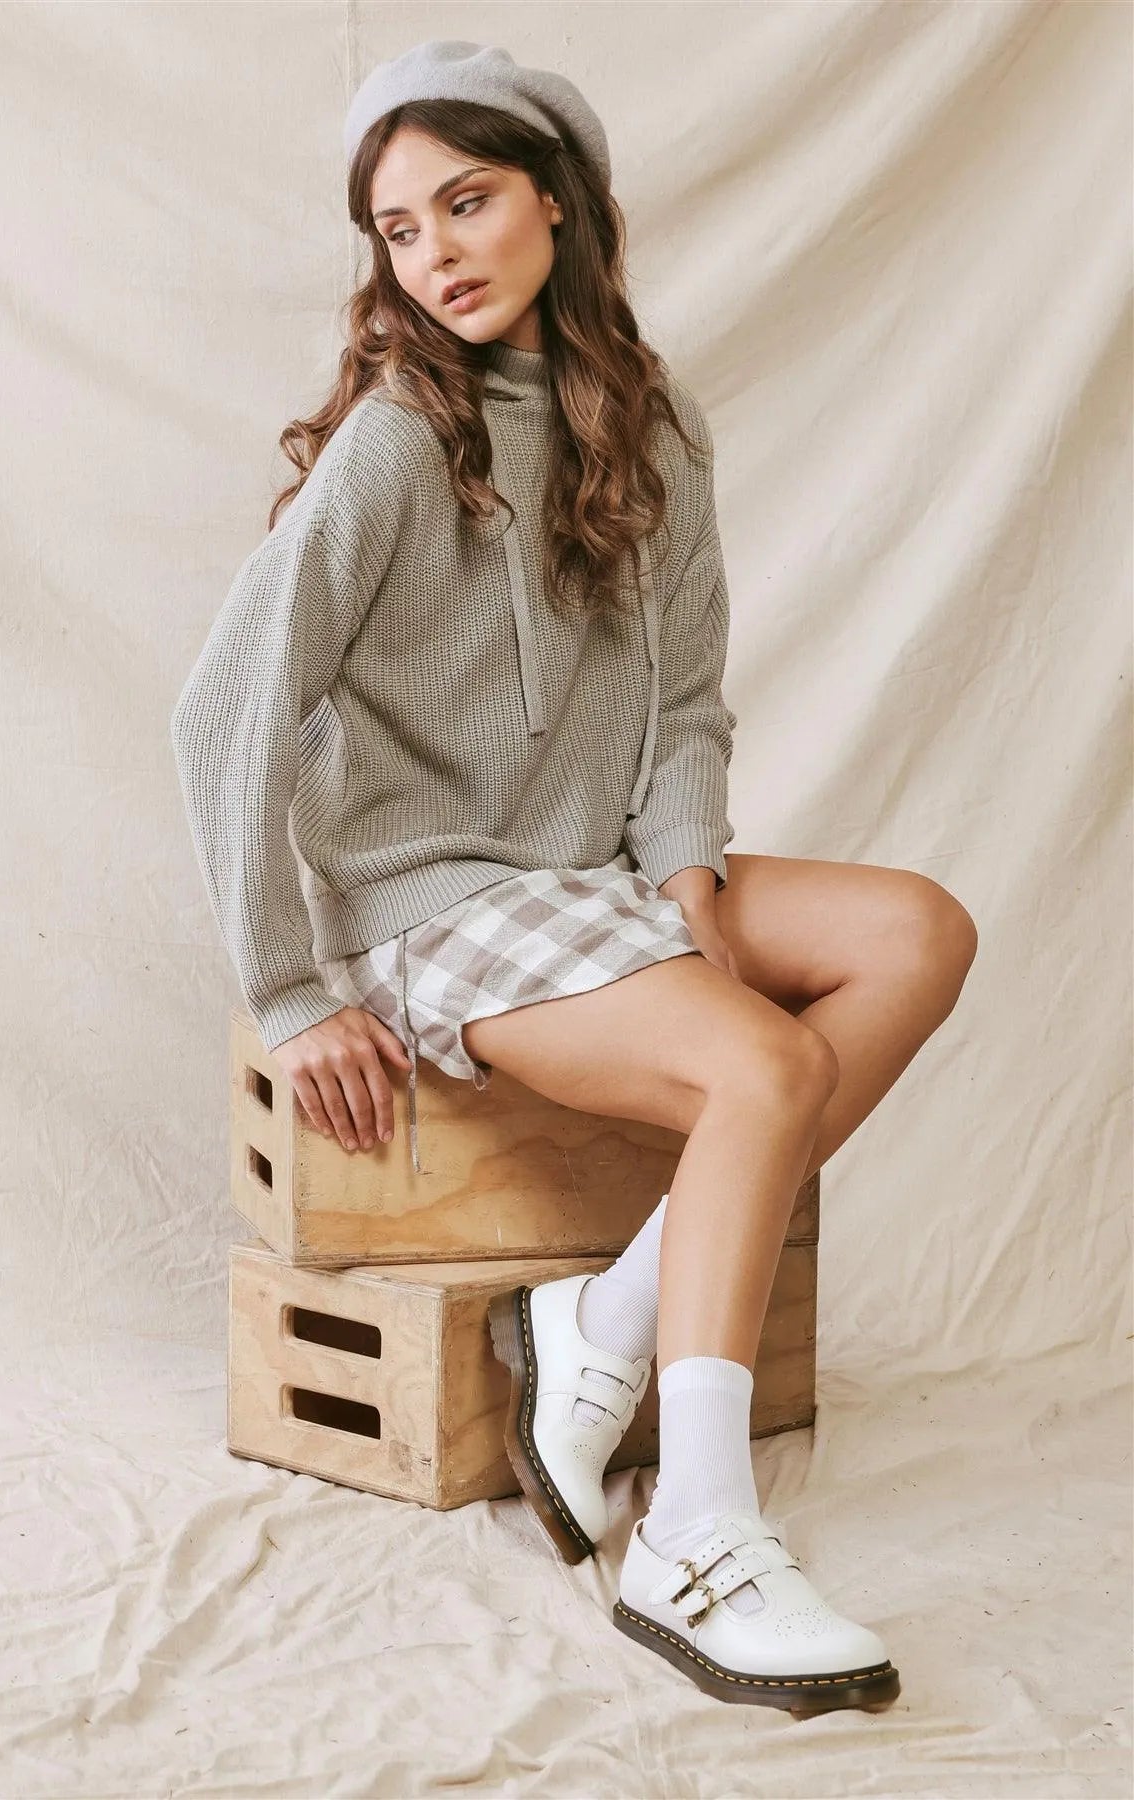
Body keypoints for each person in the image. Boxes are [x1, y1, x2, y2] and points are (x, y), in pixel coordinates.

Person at [170, 39, 977, 1715]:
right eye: (397, 230)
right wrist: (291, 990)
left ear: (558, 200)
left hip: (596, 874)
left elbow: (683, 711)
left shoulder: (656, 428)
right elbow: (224, 714)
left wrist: (689, 889)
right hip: (436, 899)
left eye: (465, 202)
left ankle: (599, 1325)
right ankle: (693, 1533)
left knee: (916, 929)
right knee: (764, 1064)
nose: (435, 253)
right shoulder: (398, 445)